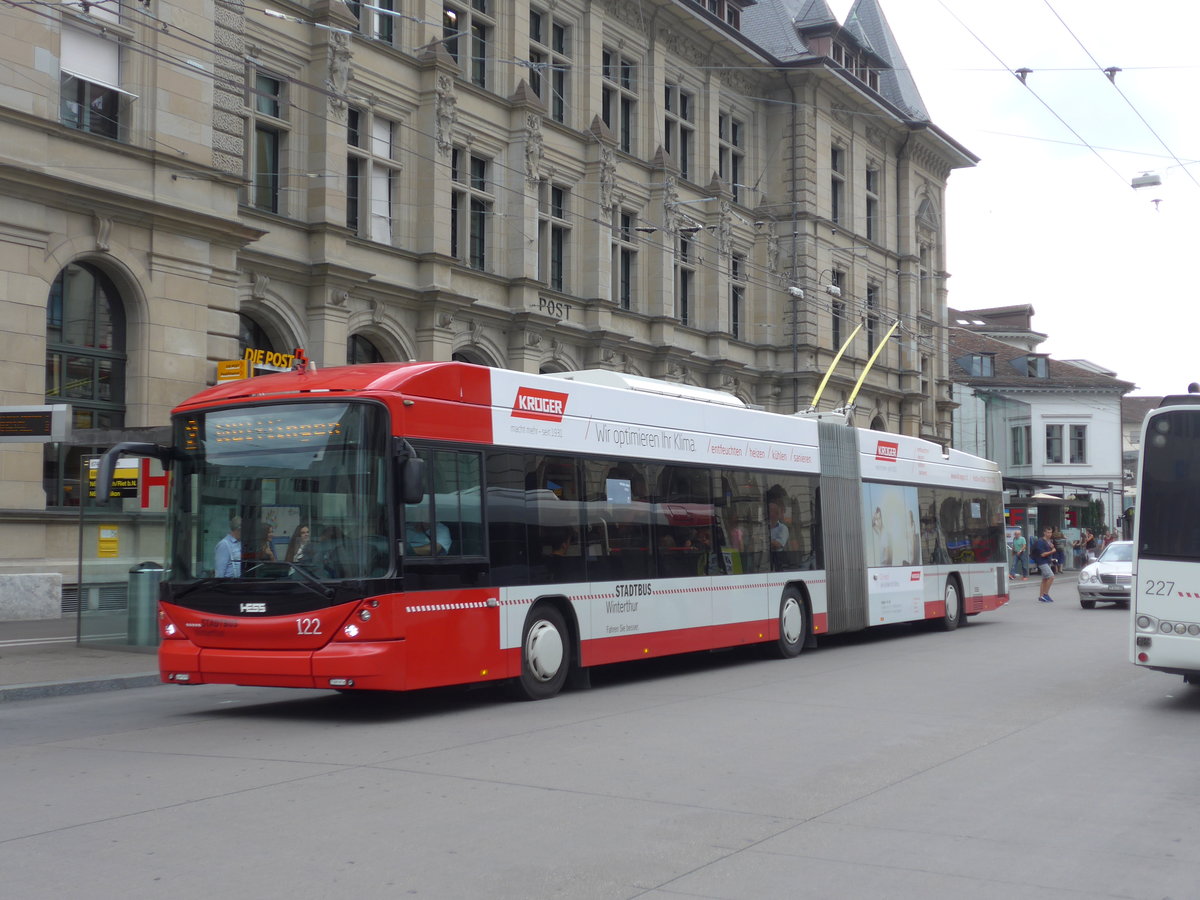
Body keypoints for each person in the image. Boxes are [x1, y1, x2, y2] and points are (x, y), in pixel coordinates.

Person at [1031, 525, 1057, 602]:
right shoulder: (1040, 542)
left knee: (1045, 579)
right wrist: (1052, 551)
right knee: (1051, 577)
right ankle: (1045, 594)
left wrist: (1052, 548)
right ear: (1044, 533)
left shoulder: (1048, 541)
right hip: (1042, 562)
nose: (1049, 534)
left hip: (1047, 561)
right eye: (1048, 532)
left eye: (1050, 532)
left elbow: (1049, 551)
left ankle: (1041, 596)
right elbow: (1042, 554)